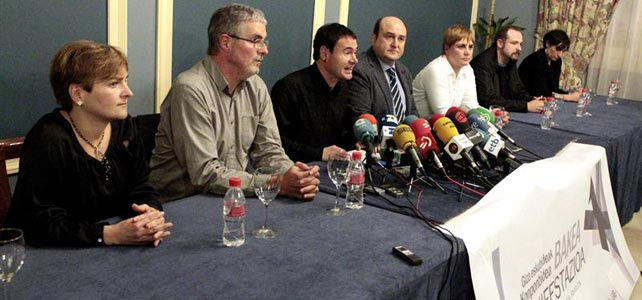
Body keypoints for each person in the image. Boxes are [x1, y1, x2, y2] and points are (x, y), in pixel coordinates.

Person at [7, 40, 172, 247]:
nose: (128, 92)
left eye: (126, 80)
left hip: (111, 248)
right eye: (114, 84)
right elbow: (36, 223)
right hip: (51, 255)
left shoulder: (124, 128)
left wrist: (149, 214)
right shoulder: (49, 139)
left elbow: (141, 187)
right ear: (78, 94)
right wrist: (110, 234)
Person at [149, 4, 320, 203]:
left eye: (264, 42)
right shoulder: (190, 88)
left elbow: (268, 151)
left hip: (231, 197)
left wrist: (295, 175)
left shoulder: (256, 86)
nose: (264, 50)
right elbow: (205, 173)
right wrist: (276, 182)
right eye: (256, 40)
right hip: (181, 204)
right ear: (225, 42)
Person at [271, 23, 357, 162]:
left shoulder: (348, 89)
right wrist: (319, 153)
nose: (354, 60)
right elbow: (276, 143)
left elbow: (347, 134)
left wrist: (357, 142)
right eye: (347, 52)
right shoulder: (289, 88)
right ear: (324, 54)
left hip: (337, 171)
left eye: (355, 52)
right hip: (296, 171)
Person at [346, 16, 417, 121]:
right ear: (374, 38)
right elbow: (360, 119)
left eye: (401, 39)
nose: (395, 44)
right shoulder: (360, 69)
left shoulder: (404, 71)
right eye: (389, 37)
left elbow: (412, 112)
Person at [471, 25, 545, 113]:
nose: (519, 48)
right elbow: (488, 100)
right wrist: (526, 106)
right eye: (514, 43)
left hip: (505, 112)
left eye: (520, 44)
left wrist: (532, 100)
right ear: (500, 43)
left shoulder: (510, 60)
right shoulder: (482, 63)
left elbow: (518, 90)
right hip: (485, 115)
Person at [413, 24, 481, 116]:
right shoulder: (436, 69)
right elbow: (444, 113)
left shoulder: (467, 69)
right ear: (447, 48)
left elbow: (470, 106)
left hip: (450, 124)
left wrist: (489, 115)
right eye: (461, 46)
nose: (467, 52)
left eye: (470, 47)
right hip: (424, 125)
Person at [518, 29, 580, 101]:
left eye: (563, 51)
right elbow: (541, 92)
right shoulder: (535, 59)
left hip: (539, 99)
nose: (560, 55)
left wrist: (572, 94)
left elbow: (554, 89)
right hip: (525, 99)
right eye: (558, 49)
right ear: (548, 44)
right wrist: (568, 97)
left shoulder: (556, 61)